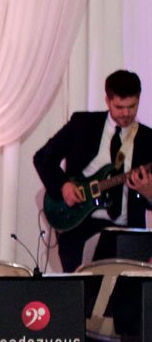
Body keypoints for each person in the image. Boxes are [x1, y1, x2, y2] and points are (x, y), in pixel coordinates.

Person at [33, 70, 152, 272]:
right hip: (80, 227)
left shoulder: (148, 140)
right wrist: (64, 186)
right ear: (107, 100)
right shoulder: (82, 125)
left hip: (126, 232)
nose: (125, 113)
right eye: (119, 107)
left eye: (132, 106)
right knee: (84, 294)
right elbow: (43, 157)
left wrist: (148, 191)